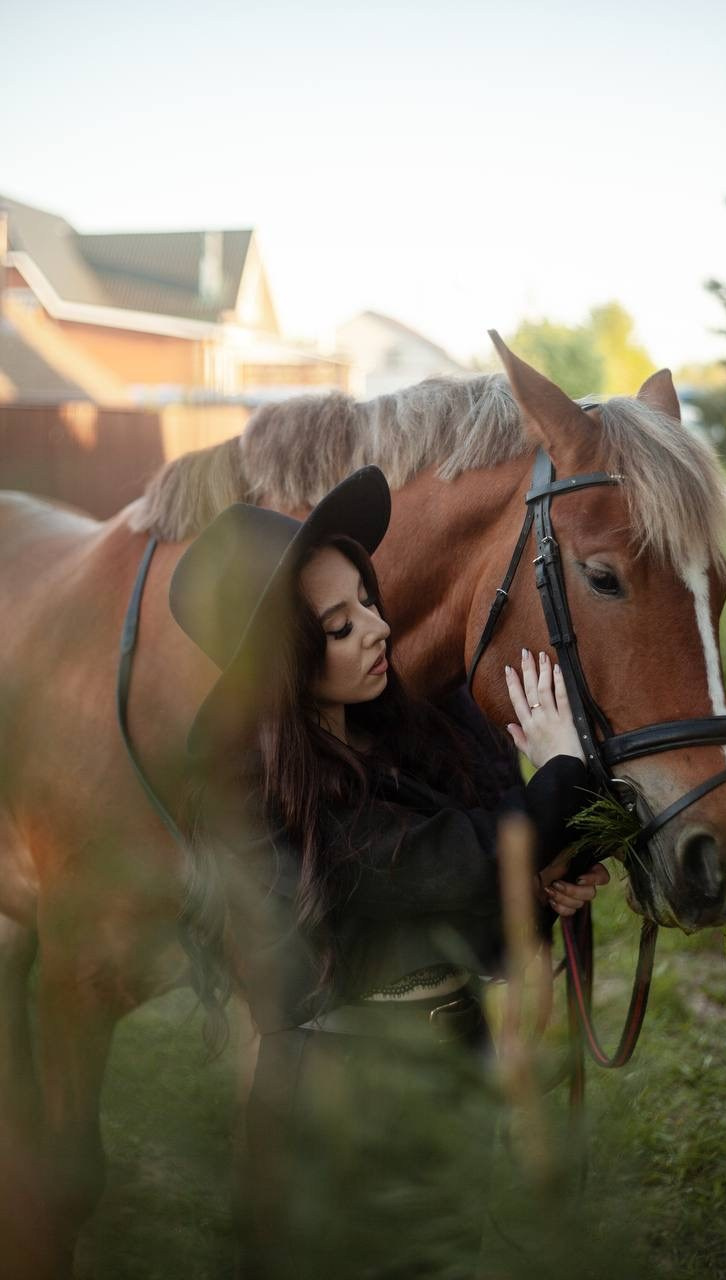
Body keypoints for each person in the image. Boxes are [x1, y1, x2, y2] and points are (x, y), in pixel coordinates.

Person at [169, 465, 610, 1279]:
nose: (376, 628)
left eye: (366, 601)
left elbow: (459, 910)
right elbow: (458, 865)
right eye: (337, 628)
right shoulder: (268, 788)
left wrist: (544, 894)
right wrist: (560, 772)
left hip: (446, 1066)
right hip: (347, 1098)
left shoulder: (398, 734)